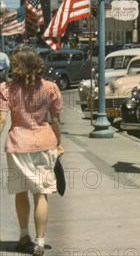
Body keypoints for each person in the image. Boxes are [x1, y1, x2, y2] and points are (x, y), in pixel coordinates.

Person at [0, 46, 63, 256]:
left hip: (17, 144)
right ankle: (39, 242)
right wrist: (58, 143)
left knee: (20, 191)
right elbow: (55, 120)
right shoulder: (50, 88)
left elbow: (1, 119)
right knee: (41, 194)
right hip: (44, 143)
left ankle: (23, 235)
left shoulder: (6, 89)